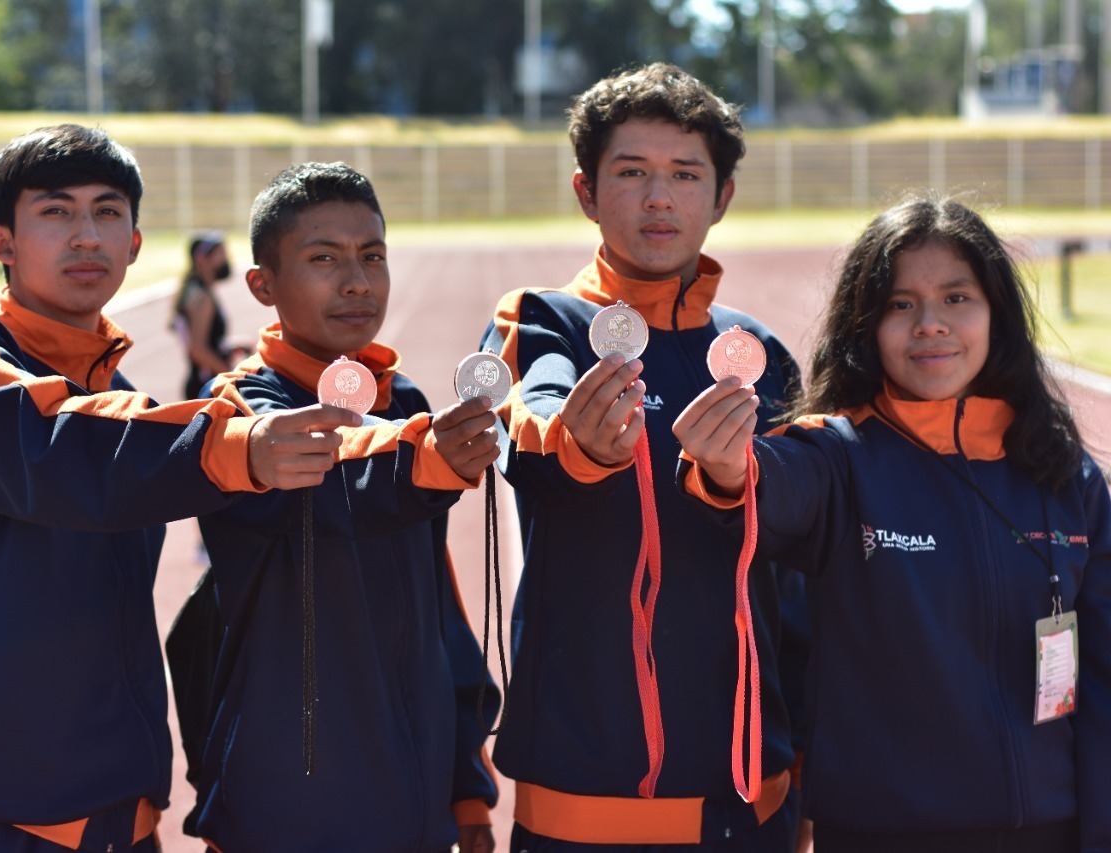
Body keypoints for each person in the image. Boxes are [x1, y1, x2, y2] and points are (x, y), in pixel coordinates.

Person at [0, 125, 358, 853]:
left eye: (108, 212)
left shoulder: (129, 397)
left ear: (135, 244)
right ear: (0, 242)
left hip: (123, 809)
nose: (86, 236)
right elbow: (64, 446)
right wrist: (237, 444)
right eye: (55, 212)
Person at [674, 196, 1111, 852]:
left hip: (1051, 828)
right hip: (881, 830)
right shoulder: (840, 456)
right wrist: (725, 467)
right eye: (900, 305)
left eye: (957, 298)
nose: (929, 324)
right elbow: (765, 481)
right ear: (866, 326)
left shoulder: (1064, 474)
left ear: (997, 315)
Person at [479, 63, 802, 849]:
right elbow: (534, 421)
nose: (659, 197)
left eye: (685, 174)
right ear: (587, 191)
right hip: (584, 800)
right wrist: (582, 444)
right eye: (631, 173)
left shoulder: (757, 352)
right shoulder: (540, 321)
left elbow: (801, 565)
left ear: (721, 197)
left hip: (752, 797)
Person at [181, 161, 502, 852]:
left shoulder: (408, 404)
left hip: (414, 798)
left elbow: (436, 600)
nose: (356, 280)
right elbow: (334, 492)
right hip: (288, 804)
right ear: (262, 285)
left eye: (372, 256)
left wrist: (466, 782)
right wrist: (426, 462)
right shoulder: (239, 410)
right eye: (323, 258)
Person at [172, 231, 247, 400]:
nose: (226, 259)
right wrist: (228, 376)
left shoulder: (198, 291)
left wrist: (228, 347)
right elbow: (198, 350)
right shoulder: (202, 298)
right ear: (202, 259)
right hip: (206, 384)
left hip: (205, 381)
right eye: (220, 254)